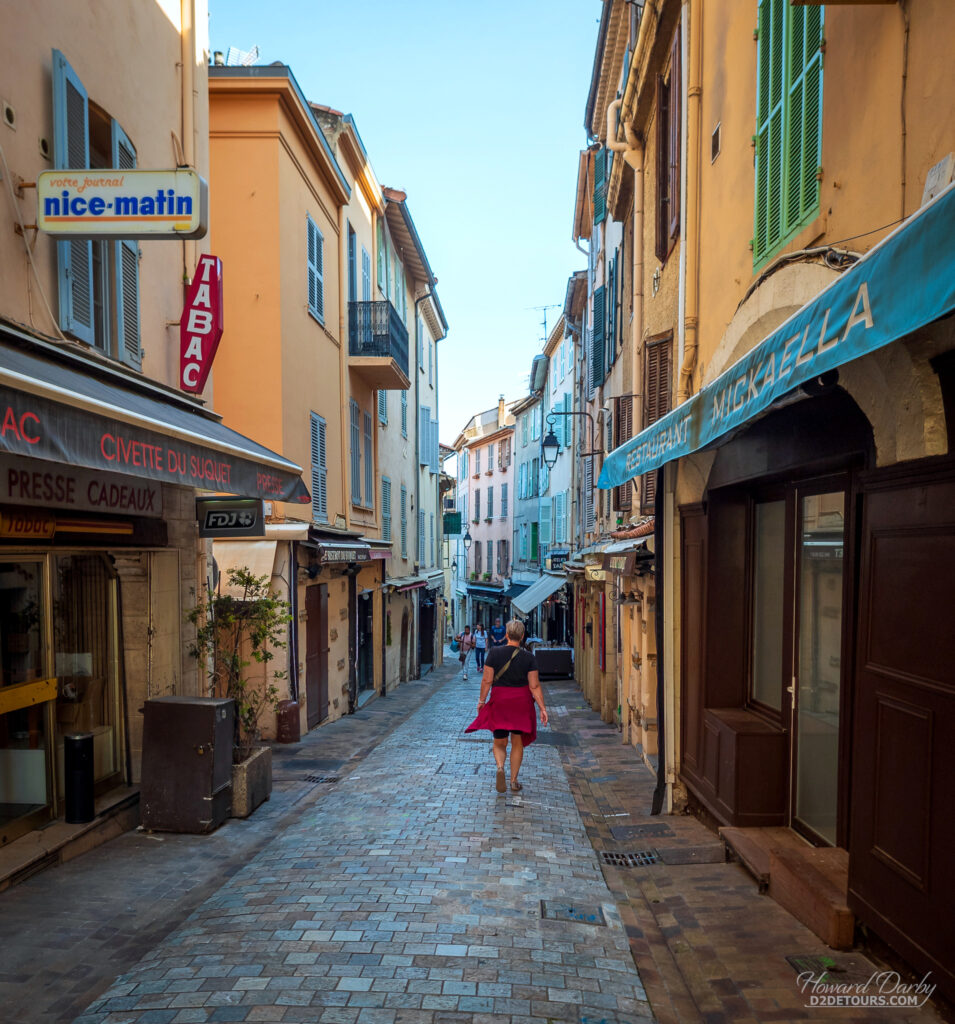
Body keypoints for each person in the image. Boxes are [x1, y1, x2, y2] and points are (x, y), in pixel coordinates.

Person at [464, 619, 548, 793]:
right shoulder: (529, 658)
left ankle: (500, 767)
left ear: (507, 635)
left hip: (500, 700)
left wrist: (481, 701)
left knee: (500, 741)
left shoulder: (494, 653)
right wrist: (542, 708)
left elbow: (487, 680)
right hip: (521, 702)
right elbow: (534, 686)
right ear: (523, 636)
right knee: (517, 742)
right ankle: (514, 780)